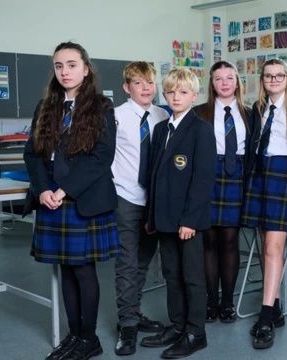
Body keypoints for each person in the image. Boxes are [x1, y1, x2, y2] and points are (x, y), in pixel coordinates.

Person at [23, 41, 119, 360]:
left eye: (72, 64)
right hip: (50, 198)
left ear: (86, 68)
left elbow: (101, 157)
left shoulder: (101, 107)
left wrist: (64, 189)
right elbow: (33, 154)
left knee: (83, 270)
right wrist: (42, 190)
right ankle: (74, 335)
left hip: (81, 198)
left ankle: (89, 339)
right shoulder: (46, 106)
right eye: (59, 66)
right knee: (65, 268)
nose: (65, 71)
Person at [140, 68, 216, 359]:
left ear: (194, 96)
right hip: (163, 218)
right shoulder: (161, 130)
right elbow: (154, 177)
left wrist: (190, 219)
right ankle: (178, 324)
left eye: (182, 92)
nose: (175, 97)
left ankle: (196, 332)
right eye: (170, 92)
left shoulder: (201, 130)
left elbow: (203, 179)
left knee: (192, 276)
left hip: (187, 220)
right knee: (171, 274)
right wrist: (150, 217)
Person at [241, 59, 287, 349]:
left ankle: (266, 316)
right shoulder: (257, 108)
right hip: (259, 174)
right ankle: (276, 302)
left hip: (286, 176)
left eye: (279, 75)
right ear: (262, 79)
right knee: (264, 245)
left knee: (274, 247)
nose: (273, 79)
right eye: (268, 76)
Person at [111, 61, 167, 356]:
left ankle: (133, 312)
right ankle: (127, 325)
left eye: (150, 83)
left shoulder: (162, 115)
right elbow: (105, 156)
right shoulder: (115, 116)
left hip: (153, 200)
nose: (146, 88)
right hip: (126, 197)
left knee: (144, 261)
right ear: (126, 87)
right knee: (127, 262)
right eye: (138, 83)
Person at [194, 61, 252, 324]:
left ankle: (227, 301)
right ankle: (210, 300)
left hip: (236, 176)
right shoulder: (199, 113)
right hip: (208, 176)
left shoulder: (251, 113)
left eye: (230, 77)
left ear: (237, 82)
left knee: (230, 240)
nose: (225, 83)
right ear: (212, 83)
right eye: (219, 79)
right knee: (209, 241)